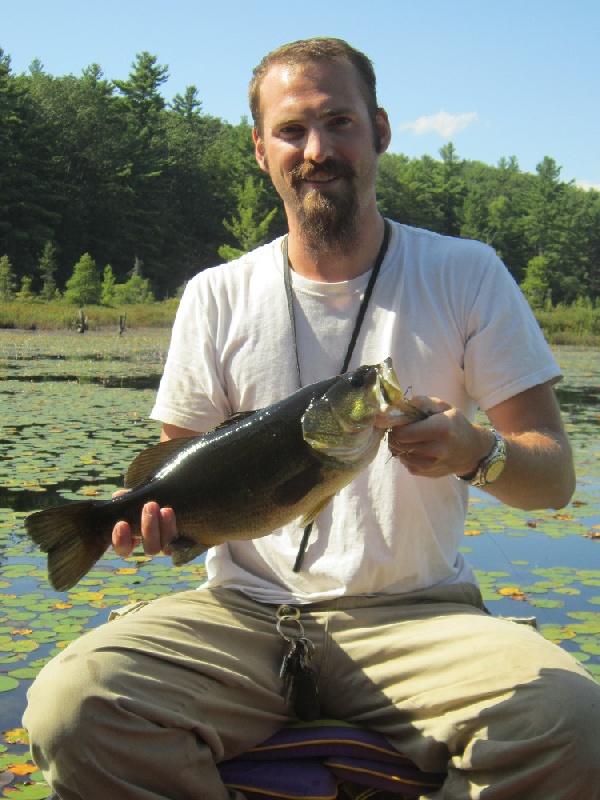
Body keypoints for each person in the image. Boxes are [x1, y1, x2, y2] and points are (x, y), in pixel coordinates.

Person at [24, 37, 600, 800]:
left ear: (381, 132)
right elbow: (177, 475)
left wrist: (474, 450)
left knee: (572, 720)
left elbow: (553, 478)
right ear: (261, 151)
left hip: (418, 617)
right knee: (74, 707)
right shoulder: (216, 295)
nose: (318, 148)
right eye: (293, 130)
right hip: (239, 616)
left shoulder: (466, 274)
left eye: (340, 122)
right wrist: (146, 529)